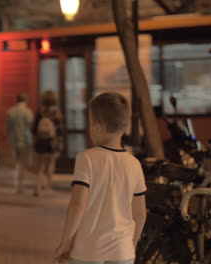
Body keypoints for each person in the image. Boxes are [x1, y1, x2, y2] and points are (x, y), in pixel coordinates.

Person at [53, 92, 147, 264]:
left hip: (87, 251)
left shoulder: (86, 158)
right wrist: (131, 245)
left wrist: (65, 242)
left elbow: (77, 204)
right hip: (123, 252)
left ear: (98, 126)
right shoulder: (134, 164)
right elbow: (140, 214)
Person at [32, 91, 63, 196]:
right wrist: (59, 142)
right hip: (51, 143)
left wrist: (35, 139)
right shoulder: (56, 113)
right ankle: (48, 187)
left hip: (40, 142)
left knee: (40, 166)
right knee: (50, 164)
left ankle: (38, 188)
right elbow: (60, 130)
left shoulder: (39, 112)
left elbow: (34, 129)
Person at [6, 93, 34, 193]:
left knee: (17, 163)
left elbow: (8, 128)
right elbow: (31, 127)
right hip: (25, 141)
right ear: (26, 100)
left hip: (13, 141)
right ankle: (19, 186)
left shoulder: (10, 112)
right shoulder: (28, 112)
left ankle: (16, 185)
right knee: (22, 164)